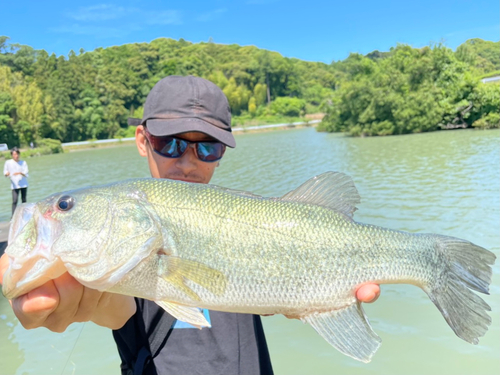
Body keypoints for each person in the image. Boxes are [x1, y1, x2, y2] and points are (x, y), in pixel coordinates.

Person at [0, 76, 380, 375]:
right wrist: (80, 300)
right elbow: (113, 308)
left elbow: (274, 294)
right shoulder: (119, 266)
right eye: (170, 143)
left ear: (222, 153)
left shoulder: (239, 215)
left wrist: (313, 301)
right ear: (142, 140)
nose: (188, 161)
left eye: (208, 147)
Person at [3, 147, 29, 216]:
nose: (16, 156)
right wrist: (7, 174)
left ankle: (25, 215)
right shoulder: (8, 162)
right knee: (14, 201)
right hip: (14, 185)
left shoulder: (23, 162)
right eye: (14, 154)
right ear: (12, 155)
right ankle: (13, 216)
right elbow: (5, 172)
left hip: (23, 184)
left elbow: (26, 173)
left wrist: (20, 173)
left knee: (24, 200)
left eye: (17, 154)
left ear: (19, 154)